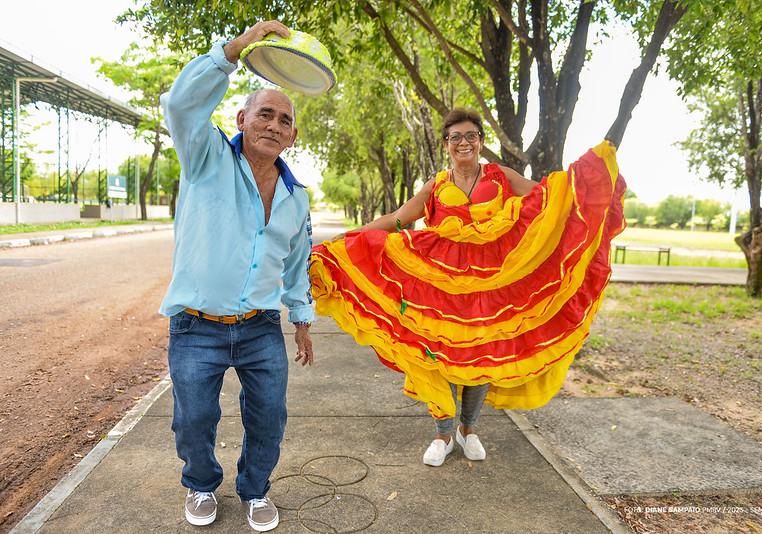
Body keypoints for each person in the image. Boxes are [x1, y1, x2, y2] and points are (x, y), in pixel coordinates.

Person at [311, 108, 625, 467]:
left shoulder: (502, 176)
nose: (463, 142)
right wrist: (348, 237)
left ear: (480, 142)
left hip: (493, 286)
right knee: (439, 358)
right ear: (446, 144)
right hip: (441, 288)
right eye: (456, 137)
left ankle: (468, 429)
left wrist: (585, 184)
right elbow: (398, 219)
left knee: (484, 355)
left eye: (470, 136)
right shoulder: (437, 186)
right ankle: (443, 433)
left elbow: (548, 202)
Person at [159, 20, 314, 532]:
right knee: (194, 419)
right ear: (243, 118)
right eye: (264, 113)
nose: (273, 124)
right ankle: (201, 485)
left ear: (292, 135)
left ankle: (255, 491)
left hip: (260, 328)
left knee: (269, 416)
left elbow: (295, 261)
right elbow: (181, 104)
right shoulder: (204, 157)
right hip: (195, 327)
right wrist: (237, 48)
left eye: (284, 120)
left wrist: (302, 319)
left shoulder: (297, 197)